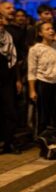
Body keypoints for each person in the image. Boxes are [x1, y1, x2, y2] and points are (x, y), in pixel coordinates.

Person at [28, 22, 56, 135]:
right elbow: (32, 71)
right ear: (40, 33)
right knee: (44, 113)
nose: (51, 31)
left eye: (52, 28)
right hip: (43, 83)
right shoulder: (35, 49)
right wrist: (32, 90)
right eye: (47, 29)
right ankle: (43, 138)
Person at [0, 14, 22, 153]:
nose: (1, 22)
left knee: (10, 111)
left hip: (7, 80)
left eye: (1, 19)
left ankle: (9, 142)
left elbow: (14, 61)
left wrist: (18, 79)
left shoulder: (8, 37)